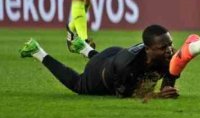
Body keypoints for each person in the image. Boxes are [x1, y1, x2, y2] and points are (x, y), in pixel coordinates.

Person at [18, 25, 179, 99]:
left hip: (113, 54)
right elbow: (125, 95)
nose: (170, 49)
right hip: (99, 73)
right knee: (78, 85)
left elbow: (171, 72)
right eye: (164, 47)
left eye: (170, 44)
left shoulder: (166, 55)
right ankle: (37, 51)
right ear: (148, 49)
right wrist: (159, 96)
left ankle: (84, 48)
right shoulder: (128, 68)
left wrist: (167, 87)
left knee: (113, 64)